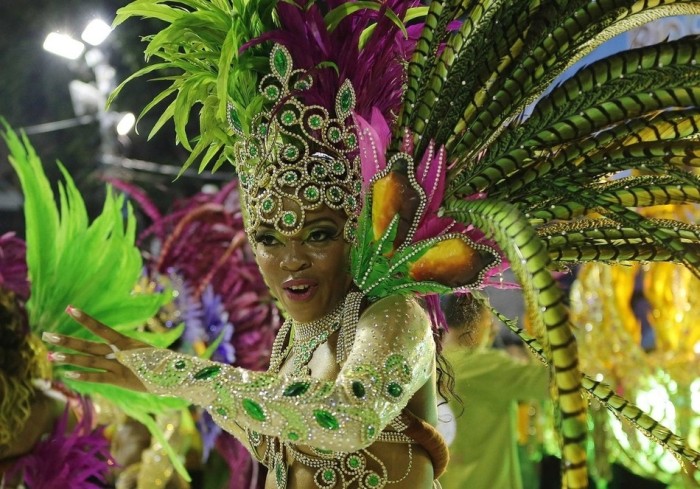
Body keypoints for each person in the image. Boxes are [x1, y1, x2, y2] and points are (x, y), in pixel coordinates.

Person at [38, 0, 700, 488]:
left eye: (318, 234)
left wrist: (173, 369)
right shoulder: (295, 337)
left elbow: (342, 420)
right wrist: (175, 387)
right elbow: (281, 439)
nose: (289, 260)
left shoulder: (393, 318)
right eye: (269, 236)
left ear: (357, 229)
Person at [437, 294, 549, 489]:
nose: (494, 330)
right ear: (474, 323)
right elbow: (550, 383)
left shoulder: (432, 361)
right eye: (489, 321)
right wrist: (535, 334)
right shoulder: (487, 367)